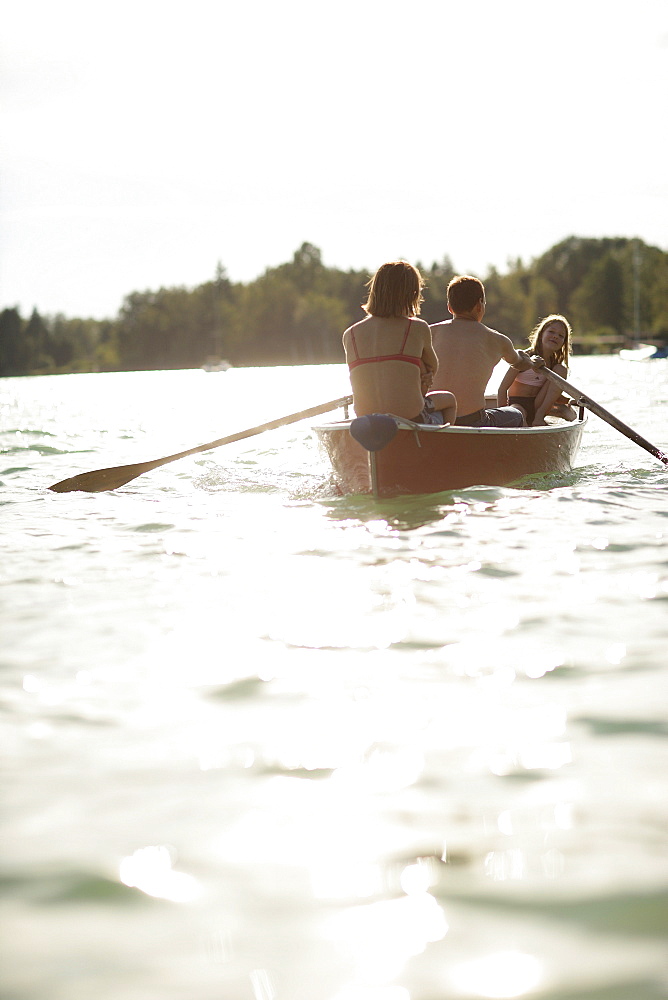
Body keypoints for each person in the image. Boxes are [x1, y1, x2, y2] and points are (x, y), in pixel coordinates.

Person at [343, 261, 457, 425]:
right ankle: (445, 446)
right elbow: (432, 369)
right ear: (412, 294)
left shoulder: (350, 334)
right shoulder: (417, 327)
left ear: (374, 291)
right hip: (410, 419)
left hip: (367, 421)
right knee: (449, 400)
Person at [430, 275, 536, 427]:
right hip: (473, 421)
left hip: (436, 418)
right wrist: (532, 361)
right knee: (517, 414)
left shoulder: (430, 332)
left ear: (449, 307)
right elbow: (521, 364)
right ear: (480, 305)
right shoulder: (497, 339)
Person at [497, 314, 576, 425]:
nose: (555, 336)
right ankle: (523, 425)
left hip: (538, 407)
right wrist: (504, 415)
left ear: (563, 342)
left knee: (561, 370)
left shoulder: (555, 366)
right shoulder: (524, 357)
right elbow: (502, 389)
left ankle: (538, 418)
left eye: (561, 335)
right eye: (551, 332)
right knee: (519, 412)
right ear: (541, 333)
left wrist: (570, 401)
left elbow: (553, 392)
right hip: (517, 404)